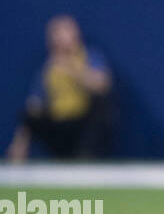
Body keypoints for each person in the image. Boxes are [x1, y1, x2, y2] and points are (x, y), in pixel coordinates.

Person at [6, 16, 114, 162]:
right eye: (54, 35)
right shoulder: (48, 68)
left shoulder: (90, 56)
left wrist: (70, 68)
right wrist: (20, 142)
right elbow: (35, 104)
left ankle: (85, 155)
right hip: (59, 124)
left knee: (103, 104)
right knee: (29, 114)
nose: (58, 39)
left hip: (82, 123)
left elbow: (102, 85)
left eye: (63, 33)